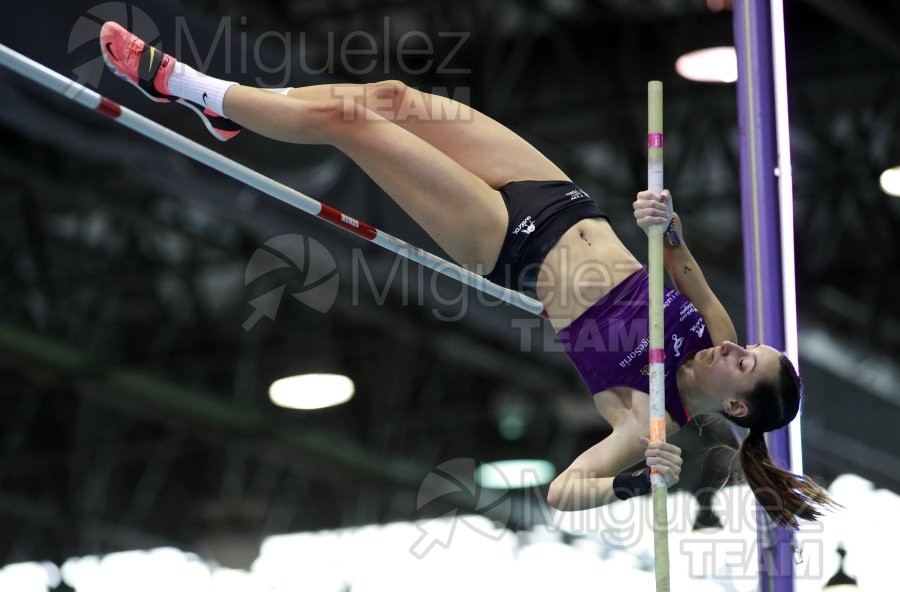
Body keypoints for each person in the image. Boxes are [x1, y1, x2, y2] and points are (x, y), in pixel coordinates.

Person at [100, 21, 835, 528]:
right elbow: (682, 263)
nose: (736, 349)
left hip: (508, 243)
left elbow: (561, 491)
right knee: (387, 98)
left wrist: (636, 481)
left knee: (354, 127)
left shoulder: (646, 421)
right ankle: (239, 112)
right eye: (749, 346)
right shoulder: (717, 331)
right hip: (557, 194)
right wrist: (664, 221)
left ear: (737, 407)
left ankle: (189, 87)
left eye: (745, 364)